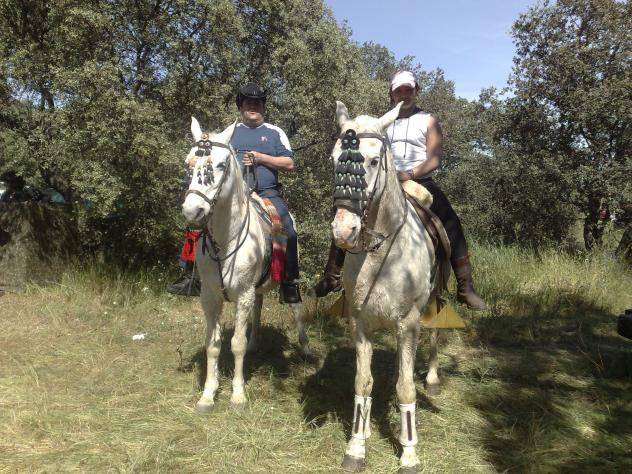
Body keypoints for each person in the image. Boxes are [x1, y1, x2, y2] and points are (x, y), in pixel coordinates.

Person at [309, 70, 488, 310]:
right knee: (348, 212)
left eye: (409, 90)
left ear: (416, 91)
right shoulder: (381, 122)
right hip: (384, 182)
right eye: (399, 90)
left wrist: (410, 174)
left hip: (420, 181)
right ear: (391, 94)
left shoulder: (428, 120)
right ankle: (332, 276)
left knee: (450, 222)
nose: (404, 94)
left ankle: (466, 288)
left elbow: (435, 158)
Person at [168, 82, 302, 304]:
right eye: (248, 103)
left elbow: (289, 163)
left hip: (267, 194)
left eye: (257, 103)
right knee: (198, 217)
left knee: (288, 228)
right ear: (241, 107)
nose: (253, 107)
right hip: (232, 196)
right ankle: (190, 274)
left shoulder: (275, 132)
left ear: (263, 107)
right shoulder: (229, 133)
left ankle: (289, 282)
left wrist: (261, 158)